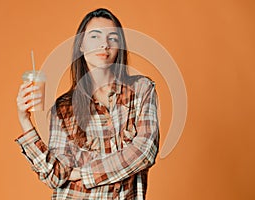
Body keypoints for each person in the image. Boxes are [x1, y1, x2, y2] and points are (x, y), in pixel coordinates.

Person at [16, 8, 159, 200]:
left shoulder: (142, 89)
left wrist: (83, 173)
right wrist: (25, 120)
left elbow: (145, 151)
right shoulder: (64, 108)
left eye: (113, 38)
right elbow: (54, 175)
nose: (104, 45)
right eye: (95, 36)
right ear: (81, 46)